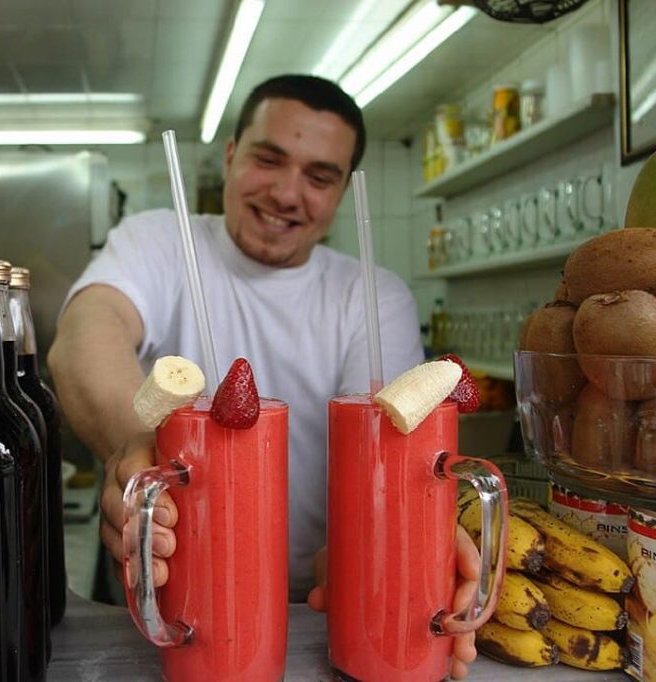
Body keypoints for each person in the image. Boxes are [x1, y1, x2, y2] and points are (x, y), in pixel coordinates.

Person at [48, 74, 479, 678]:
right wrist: (140, 458)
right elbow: (83, 340)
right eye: (268, 159)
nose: (285, 192)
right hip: (179, 596)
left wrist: (408, 551)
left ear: (342, 190)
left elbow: (390, 446)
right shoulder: (159, 240)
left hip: (323, 597)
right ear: (230, 155)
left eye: (319, 176)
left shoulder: (373, 294)